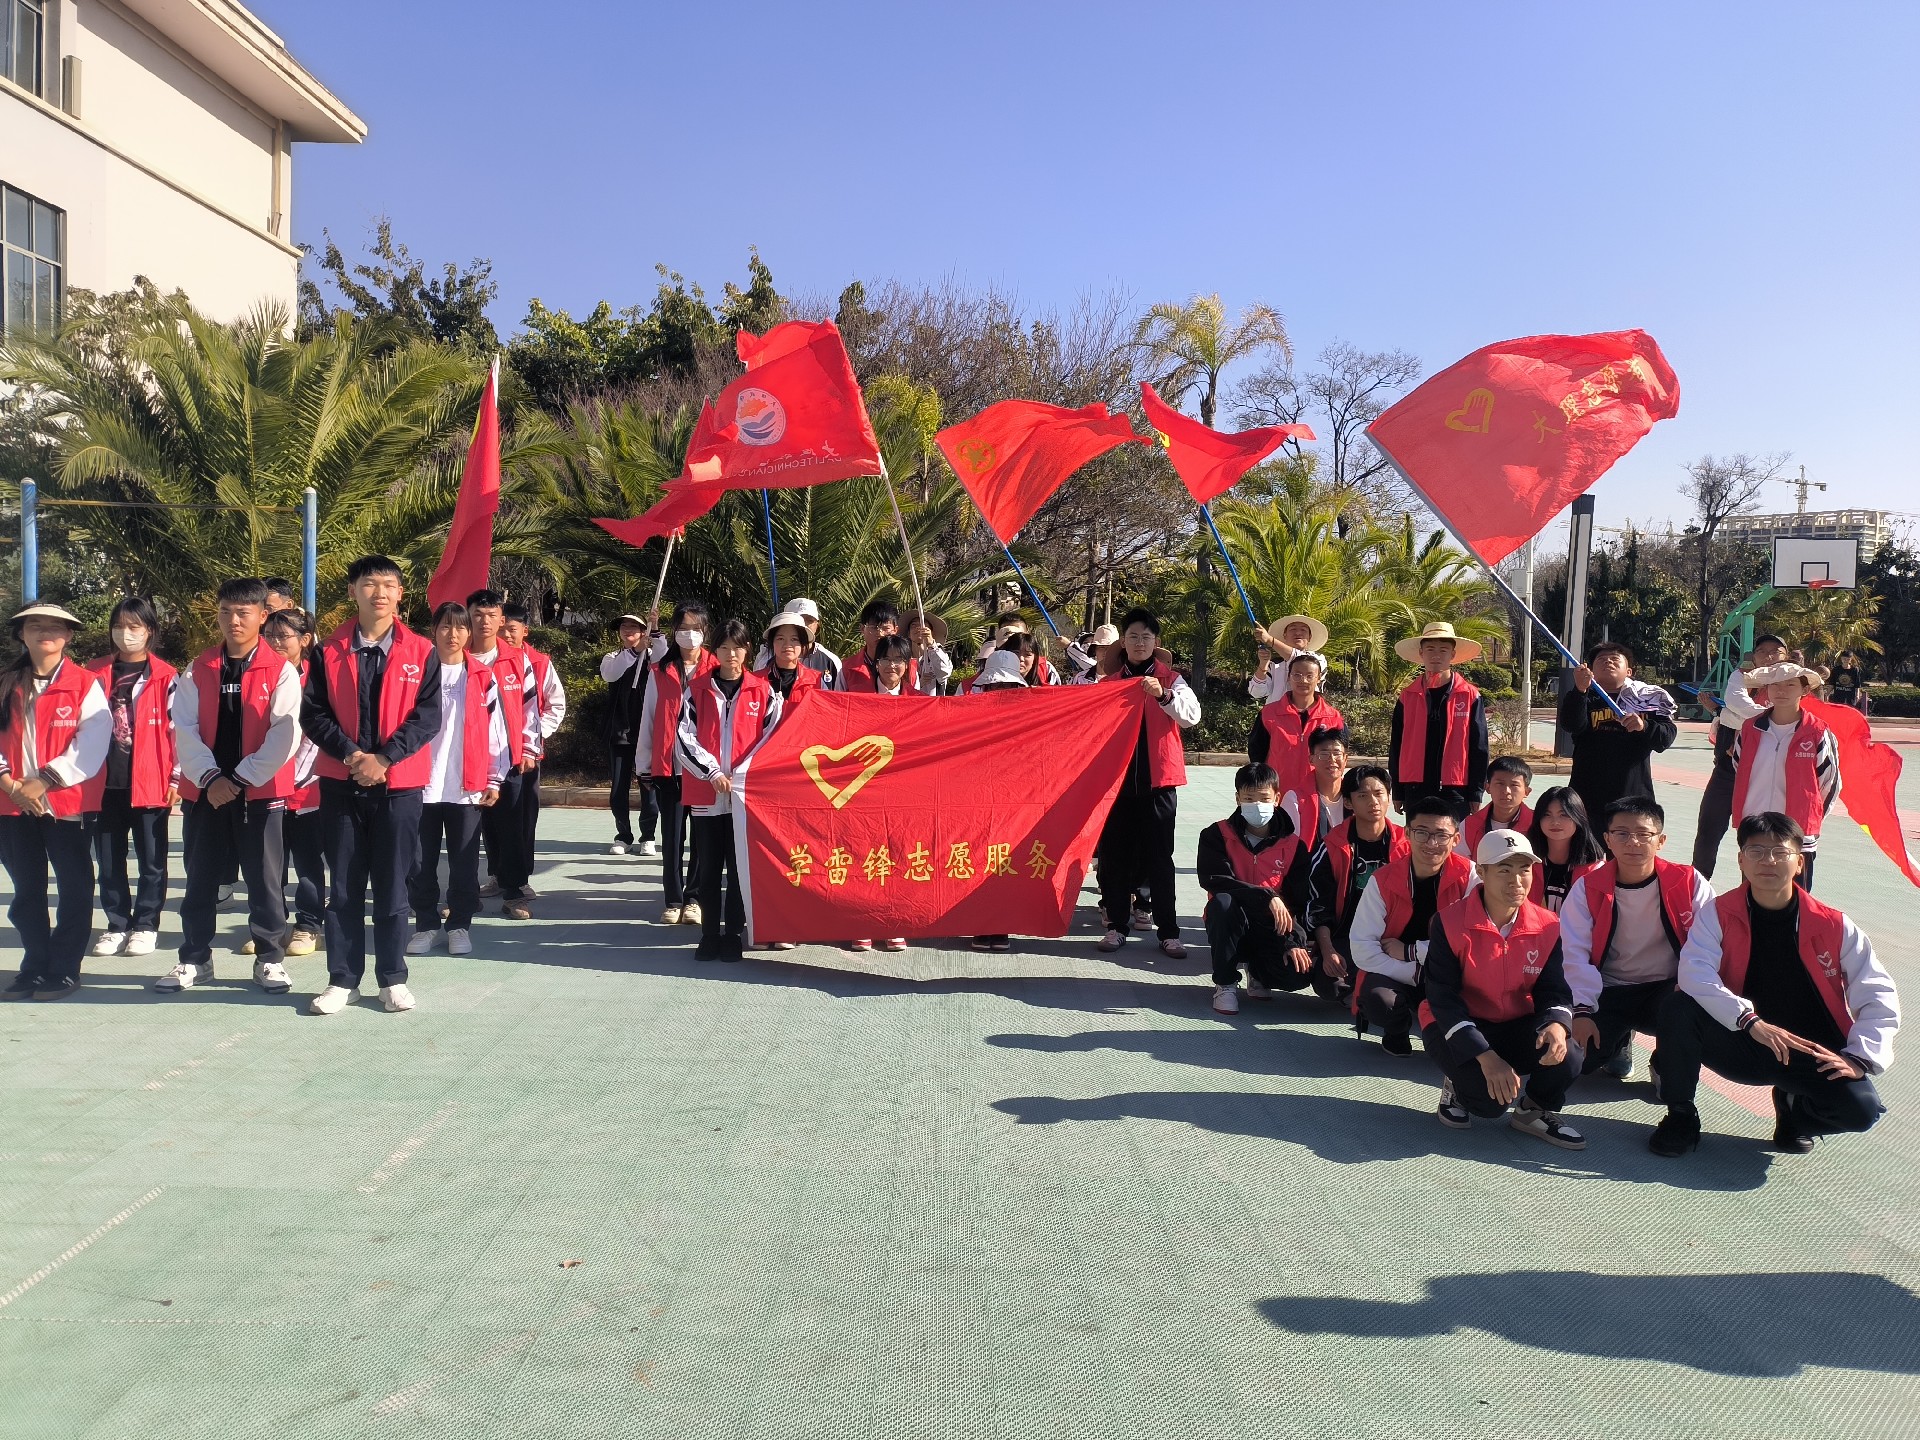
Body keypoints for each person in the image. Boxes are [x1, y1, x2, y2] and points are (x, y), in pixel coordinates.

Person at [1648, 813, 1899, 1157]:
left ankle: (1794, 1112)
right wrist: (1748, 1021)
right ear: (1740, 860)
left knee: (1860, 1111)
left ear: (1799, 863)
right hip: (1744, 1040)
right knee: (1677, 1006)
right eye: (1756, 851)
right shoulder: (1717, 913)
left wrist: (1860, 1056)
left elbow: (1876, 992)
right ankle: (1681, 1116)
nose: (1768, 861)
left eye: (1780, 853)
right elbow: (1695, 972)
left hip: (1810, 1050)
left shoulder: (1835, 925)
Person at [301, 555, 442, 1015]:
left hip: (399, 787)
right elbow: (313, 714)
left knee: (392, 885)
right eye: (368, 584)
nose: (378, 593)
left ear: (401, 594)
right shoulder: (326, 650)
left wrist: (384, 758)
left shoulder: (422, 651)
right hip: (342, 785)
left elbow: (427, 717)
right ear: (352, 592)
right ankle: (343, 979)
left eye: (387, 585)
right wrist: (352, 755)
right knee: (342, 886)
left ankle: (392, 977)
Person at [163, 577, 302, 995]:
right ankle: (194, 959)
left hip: (259, 793)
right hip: (206, 795)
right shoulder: (199, 667)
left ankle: (269, 960)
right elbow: (182, 728)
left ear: (263, 616)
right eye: (226, 611)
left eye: (243, 613)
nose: (233, 620)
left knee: (264, 882)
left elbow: (285, 733)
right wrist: (210, 779)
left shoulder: (280, 671)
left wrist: (239, 778)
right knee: (200, 879)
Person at [1421, 829, 1585, 1148]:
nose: (1517, 880)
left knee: (1570, 1053)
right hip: (1456, 1025)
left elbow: (1554, 989)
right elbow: (1442, 998)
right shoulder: (1449, 922)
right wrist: (1484, 1055)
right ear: (1481, 872)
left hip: (1514, 1022)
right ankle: (1456, 1085)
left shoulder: (1548, 924)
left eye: (1524, 869)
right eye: (1504, 869)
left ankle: (1532, 1110)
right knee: (1487, 1105)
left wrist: (1556, 1023)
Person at [1559, 796, 1712, 1081]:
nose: (1633, 842)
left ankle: (1664, 1059)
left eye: (1644, 834)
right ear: (1607, 839)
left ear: (1661, 840)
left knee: (1690, 1015)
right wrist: (1581, 1010)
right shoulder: (1587, 888)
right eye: (1622, 834)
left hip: (1669, 989)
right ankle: (1618, 1038)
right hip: (1609, 989)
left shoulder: (1689, 882)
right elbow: (1574, 953)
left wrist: (1693, 983)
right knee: (1573, 1064)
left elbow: (1710, 945)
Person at [0, 603, 109, 1001]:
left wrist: (45, 780)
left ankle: (64, 970)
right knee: (27, 890)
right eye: (36, 625)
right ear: (21, 634)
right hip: (12, 805)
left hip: (67, 804)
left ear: (69, 636)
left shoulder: (85, 683)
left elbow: (93, 742)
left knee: (75, 888)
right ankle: (34, 967)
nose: (46, 632)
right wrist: (11, 784)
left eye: (55, 627)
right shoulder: (5, 683)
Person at [1094, 609, 1201, 957]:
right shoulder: (1107, 686)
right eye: (1133, 636)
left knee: (1160, 858)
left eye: (1146, 637)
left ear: (1156, 643)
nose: (1139, 643)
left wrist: (1163, 695)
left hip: (1159, 783)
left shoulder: (1172, 679)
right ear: (1123, 642)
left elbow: (1191, 717)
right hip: (1117, 785)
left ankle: (1169, 932)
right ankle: (1116, 926)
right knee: (1114, 856)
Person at [407, 601, 509, 958]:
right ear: (433, 630)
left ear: (469, 633)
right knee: (419, 862)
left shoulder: (482, 676)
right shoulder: (416, 672)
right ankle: (425, 923)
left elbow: (497, 731)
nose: (453, 634)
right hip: (419, 783)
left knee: (465, 862)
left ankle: (460, 925)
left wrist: (495, 779)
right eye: (446, 627)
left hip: (467, 787)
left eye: (460, 628)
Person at [676, 619, 782, 961]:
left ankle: (733, 933)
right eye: (723, 648)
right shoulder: (696, 689)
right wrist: (712, 772)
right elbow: (683, 737)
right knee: (707, 868)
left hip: (742, 797)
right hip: (707, 795)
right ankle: (709, 934)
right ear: (715, 651)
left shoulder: (763, 692)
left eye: (737, 648)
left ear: (747, 649)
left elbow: (771, 740)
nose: (731, 655)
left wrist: (741, 775)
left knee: (739, 870)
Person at [85, 597, 178, 960]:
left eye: (135, 627)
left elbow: (179, 732)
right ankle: (116, 924)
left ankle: (146, 925)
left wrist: (177, 778)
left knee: (152, 860)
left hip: (150, 782)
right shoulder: (92, 673)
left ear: (150, 631)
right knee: (108, 860)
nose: (127, 634)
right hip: (103, 785)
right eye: (120, 626)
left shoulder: (167, 676)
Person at [1347, 795, 1476, 1053]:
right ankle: (1397, 1030)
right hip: (1398, 973)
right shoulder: (1382, 880)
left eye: (1441, 835)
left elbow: (1473, 945)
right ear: (1407, 833)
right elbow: (1362, 948)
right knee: (1378, 999)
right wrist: (1414, 972)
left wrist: (1412, 951)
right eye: (1421, 833)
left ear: (1456, 839)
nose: (1431, 843)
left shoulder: (1470, 878)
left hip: (1449, 975)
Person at [1200, 762, 1315, 1014]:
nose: (1257, 805)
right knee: (1222, 903)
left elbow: (1298, 899)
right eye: (1249, 798)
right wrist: (1267, 896)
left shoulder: (1294, 845)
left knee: (1298, 975)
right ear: (1237, 798)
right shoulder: (1216, 835)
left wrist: (1294, 941)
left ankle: (1259, 971)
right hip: (1232, 921)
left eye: (1264, 798)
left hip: (1271, 926)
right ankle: (1226, 982)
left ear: (1277, 798)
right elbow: (1215, 880)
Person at [1729, 661, 1840, 891]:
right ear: (1766, 689)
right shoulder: (1749, 729)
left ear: (1804, 690)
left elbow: (1830, 783)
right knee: (1752, 895)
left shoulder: (1818, 732)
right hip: (1755, 828)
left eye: (1790, 685)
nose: (1781, 690)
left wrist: (1811, 820)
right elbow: (1739, 768)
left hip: (1796, 833)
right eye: (1775, 684)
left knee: (1796, 899)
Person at [637, 600, 714, 926]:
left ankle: (694, 898)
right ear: (674, 632)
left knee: (700, 837)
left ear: (705, 632)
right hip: (669, 768)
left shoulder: (716, 670)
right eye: (683, 629)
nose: (689, 635)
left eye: (695, 629)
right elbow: (649, 719)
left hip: (704, 771)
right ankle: (673, 898)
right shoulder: (660, 671)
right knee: (671, 837)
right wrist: (644, 764)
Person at [466, 590, 541, 920]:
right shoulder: (455, 654)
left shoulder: (516, 659)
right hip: (465, 759)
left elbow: (530, 707)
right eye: (478, 615)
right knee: (465, 829)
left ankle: (514, 892)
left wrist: (528, 748)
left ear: (501, 620)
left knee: (511, 826)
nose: (484, 621)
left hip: (508, 758)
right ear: (469, 616)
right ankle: (465, 892)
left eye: (491, 615)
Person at [1305, 764, 1404, 1003]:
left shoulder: (1407, 845)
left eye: (1379, 793)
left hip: (1395, 939)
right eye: (1362, 795)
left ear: (1389, 797)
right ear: (1348, 803)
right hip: (1348, 938)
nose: (1373, 802)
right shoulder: (1332, 846)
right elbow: (1319, 906)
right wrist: (1328, 952)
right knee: (1330, 985)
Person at [1693, 634, 1785, 877]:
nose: (1768, 655)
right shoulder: (1741, 677)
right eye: (1762, 651)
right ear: (1753, 657)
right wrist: (1773, 716)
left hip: (1763, 776)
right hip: (1726, 772)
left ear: (1786, 656)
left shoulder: (1792, 683)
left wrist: (1733, 716)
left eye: (1776, 651)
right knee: (1708, 831)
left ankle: (1752, 892)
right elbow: (1736, 704)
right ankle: (1697, 888)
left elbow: (1735, 713)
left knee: (1757, 838)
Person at [262, 608, 324, 958]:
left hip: (307, 785)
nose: (274, 642)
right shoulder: (258, 675)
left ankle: (309, 925)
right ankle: (272, 925)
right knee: (269, 861)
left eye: (282, 636)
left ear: (304, 640)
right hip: (264, 783)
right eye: (269, 635)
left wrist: (297, 773)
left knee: (308, 861)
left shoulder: (318, 678)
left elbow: (320, 731)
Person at [1556, 641, 1677, 818]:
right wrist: (1580, 690)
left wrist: (1644, 726)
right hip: (1587, 794)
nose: (1608, 662)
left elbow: (1665, 739)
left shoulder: (1648, 697)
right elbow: (1571, 725)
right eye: (1601, 659)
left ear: (1629, 671)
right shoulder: (1583, 695)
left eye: (1615, 659)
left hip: (1633, 794)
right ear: (1592, 671)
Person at [501, 601, 566, 906]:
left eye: (511, 629)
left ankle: (520, 877)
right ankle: (496, 874)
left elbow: (556, 704)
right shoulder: (486, 658)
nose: (505, 634)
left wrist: (537, 737)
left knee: (523, 818)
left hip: (526, 756)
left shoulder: (539, 663)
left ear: (524, 631)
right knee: (492, 820)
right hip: (489, 758)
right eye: (502, 628)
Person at [1387, 621, 1488, 815]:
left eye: (1443, 650)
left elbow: (1480, 747)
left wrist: (1476, 792)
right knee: (1417, 840)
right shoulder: (1407, 696)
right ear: (1421, 653)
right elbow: (1396, 746)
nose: (1436, 655)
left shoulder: (1469, 695)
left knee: (1452, 842)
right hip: (1416, 786)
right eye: (1430, 649)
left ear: (1452, 655)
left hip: (1456, 787)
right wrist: (1398, 791)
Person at [1248, 652, 1342, 831]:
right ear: (1288, 677)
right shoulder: (1269, 714)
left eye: (1309, 676)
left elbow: (1338, 758)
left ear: (1319, 679)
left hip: (1318, 796)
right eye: (1297, 675)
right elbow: (1257, 754)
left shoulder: (1333, 717)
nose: (1303, 680)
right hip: (1278, 795)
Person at [600, 612, 662, 859]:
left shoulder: (653, 657)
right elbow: (611, 674)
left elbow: (664, 654)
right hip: (619, 731)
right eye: (624, 627)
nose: (628, 630)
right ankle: (623, 836)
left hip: (646, 730)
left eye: (634, 627)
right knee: (618, 787)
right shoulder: (612, 657)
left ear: (643, 631)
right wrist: (634, 653)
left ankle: (648, 836)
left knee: (649, 785)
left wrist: (654, 631)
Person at [1523, 785, 1606, 913]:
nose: (1555, 822)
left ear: (1578, 818)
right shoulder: (1525, 862)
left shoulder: (1595, 870)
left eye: (1564, 815)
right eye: (1547, 815)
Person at [751, 596, 840, 683]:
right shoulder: (764, 658)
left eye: (809, 620)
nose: (804, 625)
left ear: (817, 624)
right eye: (797, 620)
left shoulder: (831, 661)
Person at [1285, 726, 1348, 849]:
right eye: (1324, 754)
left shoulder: (1356, 795)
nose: (1332, 759)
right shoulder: (1295, 800)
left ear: (1346, 759)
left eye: (1337, 754)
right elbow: (1289, 848)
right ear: (1311, 759)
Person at [1460, 755, 1533, 857]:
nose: (1506, 791)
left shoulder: (1537, 824)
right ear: (1488, 788)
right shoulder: (1469, 826)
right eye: (1500, 784)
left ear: (1526, 791)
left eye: (1514, 785)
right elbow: (1462, 866)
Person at [1248, 614, 1330, 702]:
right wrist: (1263, 664)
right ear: (1285, 635)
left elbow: (1301, 661)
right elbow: (1256, 693)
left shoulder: (1319, 659)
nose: (1298, 633)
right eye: (1293, 629)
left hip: (1308, 715)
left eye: (1303, 629)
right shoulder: (1274, 665)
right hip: (1276, 715)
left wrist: (1269, 639)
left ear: (1309, 637)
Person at [1826, 649, 1868, 713]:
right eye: (1844, 659)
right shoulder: (1836, 670)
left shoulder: (1855, 670)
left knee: (1850, 713)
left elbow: (1857, 684)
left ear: (1850, 659)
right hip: (1838, 696)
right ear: (1841, 659)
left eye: (1848, 659)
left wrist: (1857, 695)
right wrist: (1827, 694)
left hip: (1850, 696)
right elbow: (1832, 683)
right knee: (1838, 713)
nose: (1845, 660)